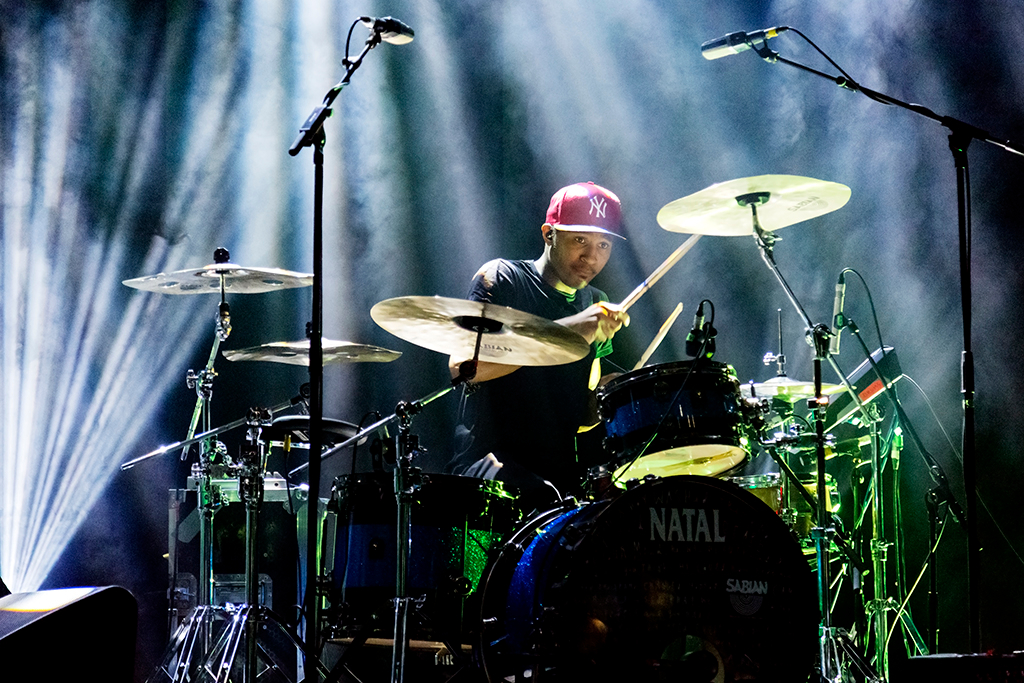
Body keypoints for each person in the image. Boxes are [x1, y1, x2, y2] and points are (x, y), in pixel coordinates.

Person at [444, 181, 630, 511]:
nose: (591, 256)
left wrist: (621, 394)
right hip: (488, 469)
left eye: (603, 244)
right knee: (545, 501)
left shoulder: (594, 302)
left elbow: (584, 416)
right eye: (580, 240)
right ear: (549, 234)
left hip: (559, 479)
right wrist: (569, 331)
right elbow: (464, 369)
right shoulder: (503, 278)